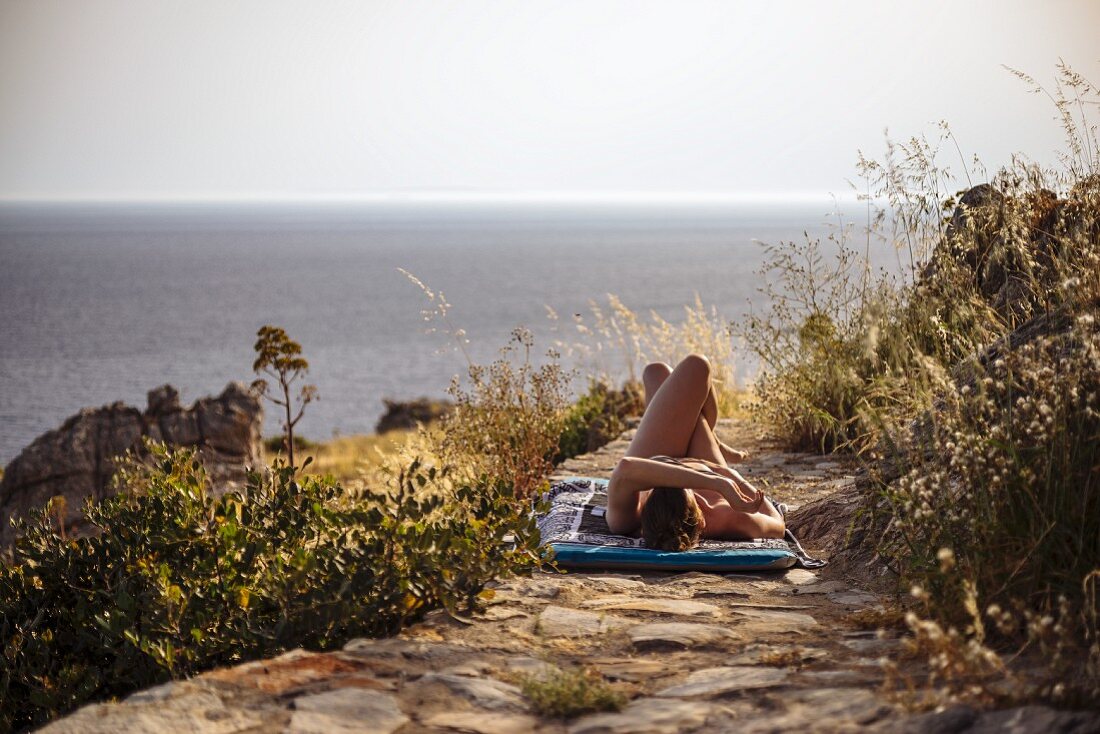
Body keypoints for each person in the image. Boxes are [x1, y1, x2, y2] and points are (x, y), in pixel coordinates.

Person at [606, 354, 785, 551]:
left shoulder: (626, 520)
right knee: (697, 366)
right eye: (696, 498)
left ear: (646, 505)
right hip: (706, 461)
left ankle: (709, 437)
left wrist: (719, 484)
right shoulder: (726, 518)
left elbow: (626, 468)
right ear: (701, 521)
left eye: (659, 486)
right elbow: (778, 525)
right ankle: (713, 441)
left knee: (655, 373)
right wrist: (729, 476)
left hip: (653, 454)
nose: (677, 475)